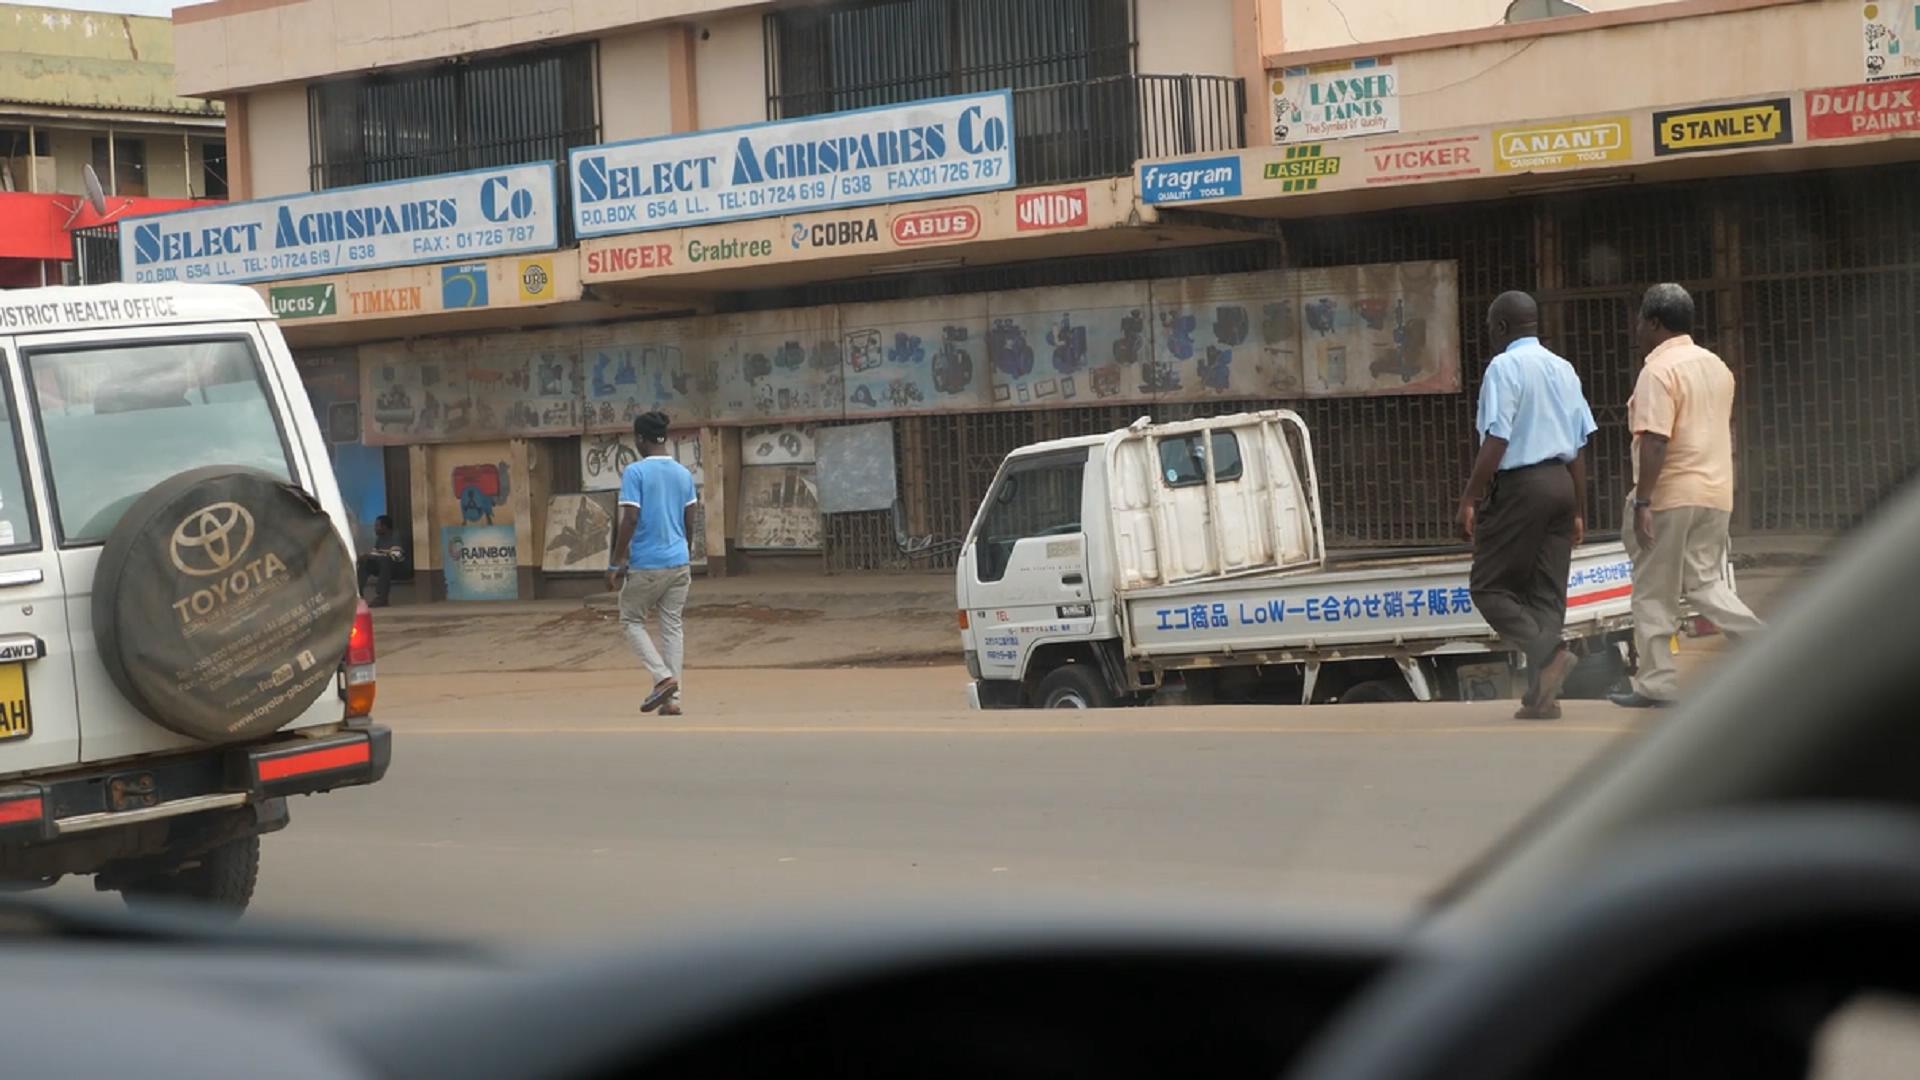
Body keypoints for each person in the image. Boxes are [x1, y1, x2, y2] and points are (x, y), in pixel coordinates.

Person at [1610, 284, 1764, 709]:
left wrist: (1643, 502)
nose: (1637, 328)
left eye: (1641, 320)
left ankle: (1656, 683)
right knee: (1704, 583)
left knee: (1653, 591)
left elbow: (1656, 440)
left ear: (1655, 322)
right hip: (1715, 494)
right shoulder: (1717, 367)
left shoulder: (1658, 372)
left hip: (1670, 495)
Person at [1458, 291, 1598, 721]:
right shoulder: (1563, 368)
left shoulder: (1504, 367)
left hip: (1522, 487)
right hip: (1561, 484)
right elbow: (1577, 447)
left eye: (1489, 327)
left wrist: (1471, 496)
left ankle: (1550, 652)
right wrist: (1578, 510)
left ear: (1501, 327)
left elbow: (1497, 438)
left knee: (1488, 586)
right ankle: (1544, 696)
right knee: (1546, 594)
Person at [607, 411, 699, 716]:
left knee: (631, 619)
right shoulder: (683, 474)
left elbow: (630, 518)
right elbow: (690, 519)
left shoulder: (635, 472)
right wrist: (683, 551)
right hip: (679, 562)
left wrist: (617, 561)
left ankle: (662, 678)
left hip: (648, 564)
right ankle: (673, 700)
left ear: (640, 439)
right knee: (672, 626)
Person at [357, 515, 406, 608]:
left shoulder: (395, 536)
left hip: (398, 568)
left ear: (385, 527)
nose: (375, 528)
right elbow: (375, 554)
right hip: (383, 566)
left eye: (377, 526)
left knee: (385, 561)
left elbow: (397, 556)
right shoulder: (380, 538)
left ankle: (382, 598)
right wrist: (367, 557)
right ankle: (358, 594)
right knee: (365, 562)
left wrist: (377, 556)